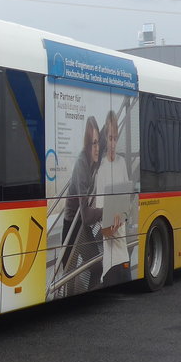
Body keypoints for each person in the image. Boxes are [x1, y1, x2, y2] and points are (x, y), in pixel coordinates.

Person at [61, 115, 103, 289]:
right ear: (87, 145)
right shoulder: (81, 165)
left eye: (98, 142)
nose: (97, 148)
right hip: (72, 225)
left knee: (96, 266)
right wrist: (105, 211)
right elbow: (86, 216)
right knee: (68, 277)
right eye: (93, 143)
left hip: (80, 225)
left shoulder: (93, 160)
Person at [97, 109, 132, 286]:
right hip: (111, 264)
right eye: (110, 138)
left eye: (115, 139)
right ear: (105, 138)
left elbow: (128, 204)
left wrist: (125, 215)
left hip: (123, 255)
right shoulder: (101, 169)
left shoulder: (121, 164)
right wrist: (112, 226)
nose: (113, 144)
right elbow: (102, 229)